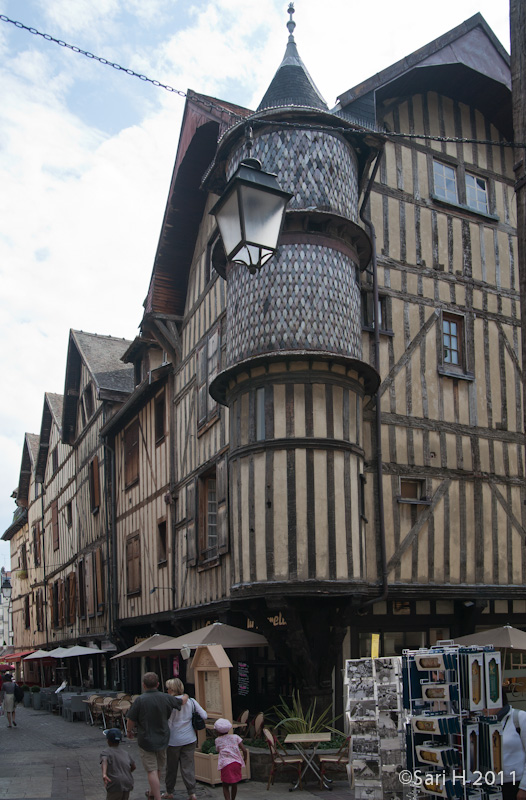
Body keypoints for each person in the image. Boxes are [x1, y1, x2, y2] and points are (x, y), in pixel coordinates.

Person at [126, 672, 189, 800]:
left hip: (146, 739)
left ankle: (156, 797)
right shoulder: (165, 697)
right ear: (158, 684)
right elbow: (182, 701)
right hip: (163, 738)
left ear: (144, 685)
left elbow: (131, 719)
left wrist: (129, 731)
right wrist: (186, 695)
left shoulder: (140, 700)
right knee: (159, 768)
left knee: (151, 770)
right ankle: (152, 792)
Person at [162, 678, 207, 800]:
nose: (166, 691)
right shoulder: (191, 701)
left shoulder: (168, 703)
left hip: (173, 740)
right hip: (190, 738)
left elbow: (167, 722)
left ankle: (169, 791)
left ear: (172, 690)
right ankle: (192, 793)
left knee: (171, 767)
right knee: (188, 767)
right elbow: (204, 715)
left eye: (168, 689)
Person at [497, 690, 526, 800]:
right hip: (490, 782)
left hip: (515, 783)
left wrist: (524, 788)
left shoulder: (519, 717)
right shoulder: (482, 721)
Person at [213, 718, 247, 800]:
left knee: (225, 785)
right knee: (234, 784)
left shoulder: (217, 740)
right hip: (236, 763)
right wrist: (244, 760)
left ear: (217, 731)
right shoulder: (236, 737)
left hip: (225, 764)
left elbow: (218, 750)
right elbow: (244, 750)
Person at [100, 727, 136, 800]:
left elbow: (104, 760)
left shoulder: (106, 752)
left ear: (108, 741)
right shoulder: (125, 753)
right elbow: (133, 766)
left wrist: (104, 774)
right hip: (127, 782)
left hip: (115, 783)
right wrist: (125, 772)